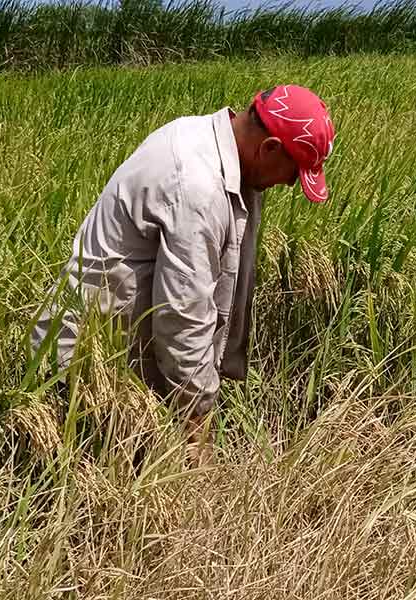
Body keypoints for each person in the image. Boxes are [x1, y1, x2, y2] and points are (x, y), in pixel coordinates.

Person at [31, 84, 336, 444]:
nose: (287, 184)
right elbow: (183, 314)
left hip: (124, 359)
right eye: (292, 173)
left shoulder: (209, 141)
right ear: (269, 148)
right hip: (86, 368)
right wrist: (196, 419)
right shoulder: (196, 187)